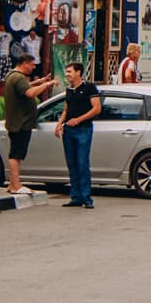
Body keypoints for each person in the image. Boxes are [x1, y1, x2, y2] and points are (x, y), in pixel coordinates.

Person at [0, 53, 56, 195]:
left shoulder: (12, 76)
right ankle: (16, 185)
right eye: (32, 64)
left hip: (17, 123)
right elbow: (29, 93)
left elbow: (24, 88)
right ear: (24, 63)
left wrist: (39, 81)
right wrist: (46, 84)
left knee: (16, 153)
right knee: (16, 154)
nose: (33, 67)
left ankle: (13, 184)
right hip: (21, 123)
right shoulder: (18, 78)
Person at [54, 61, 102, 208]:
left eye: (70, 71)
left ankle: (87, 198)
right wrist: (59, 124)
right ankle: (76, 197)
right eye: (67, 72)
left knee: (82, 163)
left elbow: (96, 108)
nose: (67, 74)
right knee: (72, 163)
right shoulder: (69, 90)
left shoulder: (89, 88)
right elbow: (66, 109)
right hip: (69, 130)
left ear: (78, 72)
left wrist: (79, 120)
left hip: (83, 129)